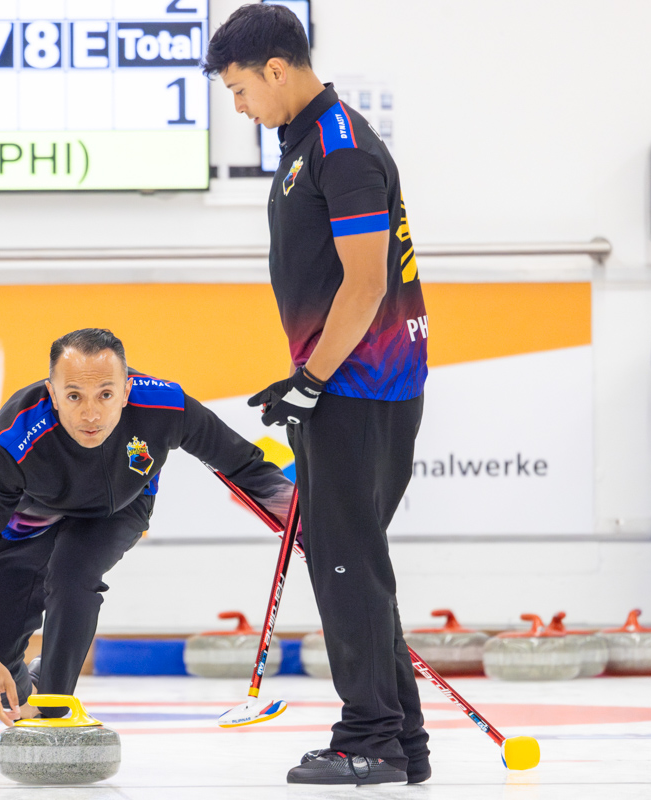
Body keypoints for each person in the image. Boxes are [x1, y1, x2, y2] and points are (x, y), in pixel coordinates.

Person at [204, 4, 430, 787]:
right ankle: (404, 738)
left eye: (239, 91)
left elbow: (367, 285)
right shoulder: (304, 142)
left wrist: (313, 380)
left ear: (276, 69)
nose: (238, 107)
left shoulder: (342, 148)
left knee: (344, 564)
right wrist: (305, 378)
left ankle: (368, 738)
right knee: (352, 559)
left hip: (362, 387)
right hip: (346, 381)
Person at [0, 328, 294, 725]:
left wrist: (301, 525)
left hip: (119, 509)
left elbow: (244, 466)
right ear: (52, 393)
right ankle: (34, 690)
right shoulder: (12, 441)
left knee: (72, 576)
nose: (90, 414)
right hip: (31, 520)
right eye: (74, 395)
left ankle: (54, 707)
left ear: (127, 392)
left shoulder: (164, 405)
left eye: (106, 395)